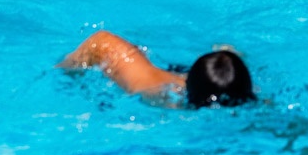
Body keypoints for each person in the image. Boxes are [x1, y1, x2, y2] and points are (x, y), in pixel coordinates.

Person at [60, 31, 256, 107]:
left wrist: (66, 73)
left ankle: (227, 53)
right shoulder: (260, 112)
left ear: (186, 83)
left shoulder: (154, 89)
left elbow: (101, 42)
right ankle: (228, 54)